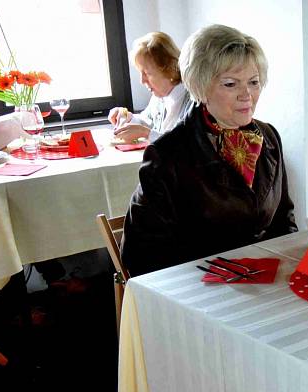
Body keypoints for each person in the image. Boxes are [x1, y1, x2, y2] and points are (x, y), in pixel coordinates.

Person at [121, 24, 297, 277]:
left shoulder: (269, 137)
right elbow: (143, 256)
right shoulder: (167, 155)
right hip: (198, 290)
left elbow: (284, 223)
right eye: (230, 84)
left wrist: (287, 272)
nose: (246, 95)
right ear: (200, 85)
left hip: (264, 284)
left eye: (254, 82)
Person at [108, 31, 192, 143]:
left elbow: (188, 147)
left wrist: (146, 133)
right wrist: (126, 116)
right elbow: (145, 121)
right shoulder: (159, 97)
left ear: (169, 68)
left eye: (147, 73)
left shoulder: (193, 100)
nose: (142, 80)